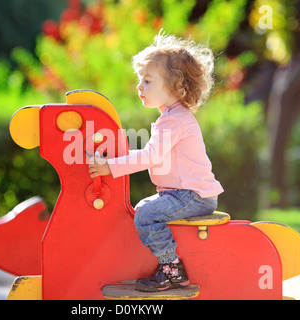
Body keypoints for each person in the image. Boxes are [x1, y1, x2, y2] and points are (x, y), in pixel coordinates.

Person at [88, 31, 224, 292]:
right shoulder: (172, 117)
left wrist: (110, 167)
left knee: (146, 214)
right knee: (142, 209)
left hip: (192, 195)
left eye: (148, 81)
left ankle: (171, 269)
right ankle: (163, 262)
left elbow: (150, 155)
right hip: (184, 193)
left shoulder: (175, 120)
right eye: (140, 80)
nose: (140, 86)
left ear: (176, 86)